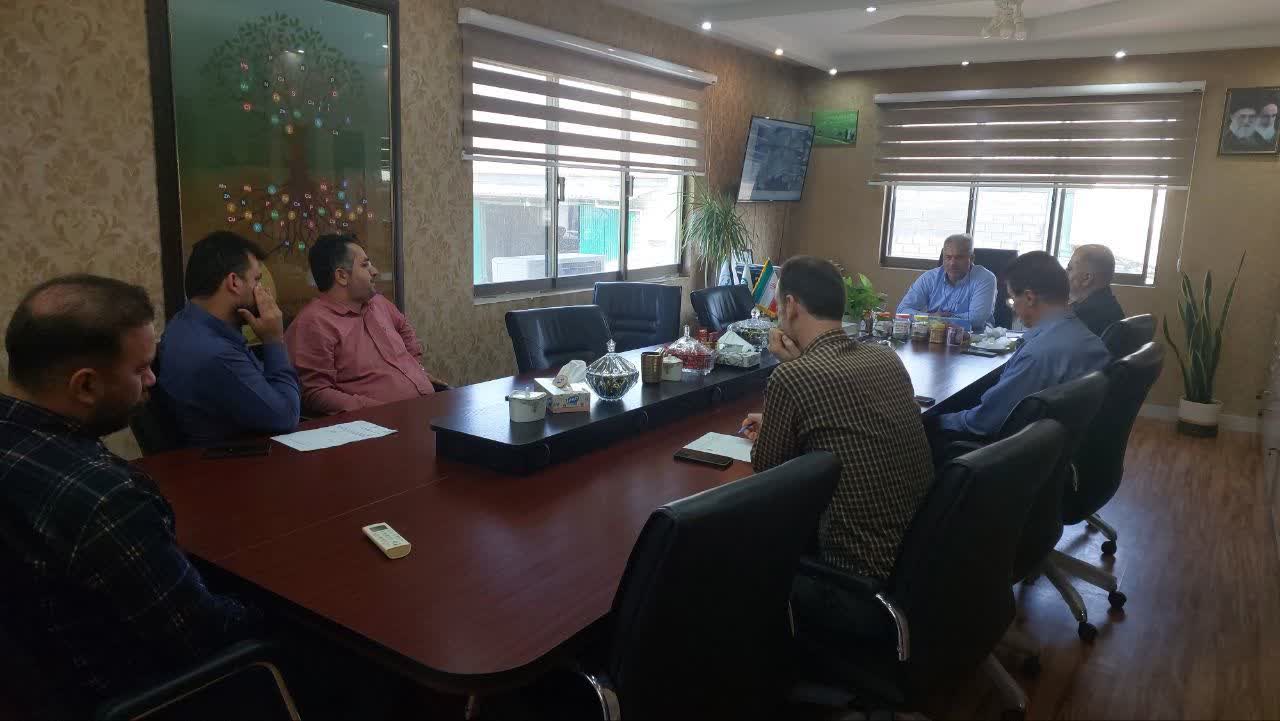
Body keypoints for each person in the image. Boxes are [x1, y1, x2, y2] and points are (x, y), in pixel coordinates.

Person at [0, 275, 259, 712]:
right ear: (85, 385)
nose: (153, 380)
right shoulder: (105, 497)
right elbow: (204, 634)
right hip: (145, 696)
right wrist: (281, 607)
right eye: (140, 369)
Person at [740, 256, 933, 584]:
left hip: (856, 568)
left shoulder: (794, 376)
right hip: (918, 554)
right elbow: (839, 411)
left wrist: (788, 376)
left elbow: (769, 469)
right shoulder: (885, 356)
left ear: (791, 305)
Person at [929, 251, 1110, 454]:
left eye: (1013, 299)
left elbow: (982, 423)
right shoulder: (1091, 341)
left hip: (1003, 456)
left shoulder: (1036, 355)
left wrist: (931, 419)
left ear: (1030, 298)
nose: (1014, 308)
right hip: (1059, 452)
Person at [156, 231, 300, 445]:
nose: (264, 291)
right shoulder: (214, 353)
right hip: (234, 459)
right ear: (234, 282)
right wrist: (274, 339)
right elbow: (286, 416)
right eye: (257, 279)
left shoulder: (185, 322)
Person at [286, 234, 444, 416]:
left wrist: (416, 369)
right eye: (365, 265)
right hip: (381, 423)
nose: (375, 271)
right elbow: (315, 393)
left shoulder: (378, 303)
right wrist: (378, 410)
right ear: (342, 276)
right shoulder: (313, 323)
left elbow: (404, 328)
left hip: (426, 407)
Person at [896, 233, 997, 330]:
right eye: (948, 257)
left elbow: (977, 318)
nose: (952, 263)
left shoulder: (985, 278)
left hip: (975, 336)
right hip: (935, 334)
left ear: (971, 258)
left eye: (959, 258)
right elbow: (901, 311)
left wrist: (939, 320)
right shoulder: (930, 278)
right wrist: (930, 317)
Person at [1067, 244, 1125, 337]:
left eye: (1069, 268)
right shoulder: (1109, 304)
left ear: (1087, 278)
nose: (1065, 272)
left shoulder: (1081, 317)